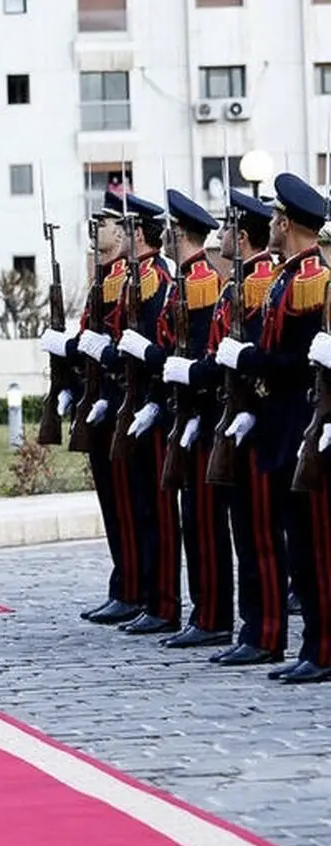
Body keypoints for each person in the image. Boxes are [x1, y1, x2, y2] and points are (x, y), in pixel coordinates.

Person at [218, 172, 331, 683]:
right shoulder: (289, 275)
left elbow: (296, 362)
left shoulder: (312, 277)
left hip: (299, 420)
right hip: (278, 425)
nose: (273, 225)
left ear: (287, 221)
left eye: (278, 218)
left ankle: (323, 648)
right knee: (299, 547)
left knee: (315, 546)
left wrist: (250, 361)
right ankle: (312, 647)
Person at [166, 189, 282, 663]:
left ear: (245, 234)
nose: (223, 236)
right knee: (237, 532)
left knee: (258, 536)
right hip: (225, 416)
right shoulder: (239, 284)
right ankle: (244, 627)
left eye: (231, 228)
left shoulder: (260, 282)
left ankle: (264, 631)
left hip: (252, 421)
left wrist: (197, 374)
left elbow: (257, 357)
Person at [78, 193, 183, 636]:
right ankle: (131, 588)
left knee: (151, 511)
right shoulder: (119, 278)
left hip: (145, 408)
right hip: (120, 402)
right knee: (125, 506)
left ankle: (152, 596)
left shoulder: (154, 279)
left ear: (137, 232)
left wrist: (148, 399)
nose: (110, 234)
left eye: (117, 226)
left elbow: (157, 346)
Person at [43, 192, 143, 626]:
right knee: (114, 504)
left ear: (123, 231)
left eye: (102, 223)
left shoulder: (130, 278)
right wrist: (66, 370)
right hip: (100, 401)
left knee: (130, 506)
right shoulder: (104, 277)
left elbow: (119, 344)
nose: (94, 230)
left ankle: (136, 589)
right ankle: (124, 585)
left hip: (122, 402)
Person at [149, 189, 235, 649]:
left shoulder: (200, 280)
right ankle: (205, 613)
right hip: (185, 414)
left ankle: (214, 616)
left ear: (178, 231)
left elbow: (204, 353)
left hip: (201, 417)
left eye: (167, 226)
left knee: (205, 521)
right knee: (195, 521)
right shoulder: (186, 279)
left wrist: (197, 411)